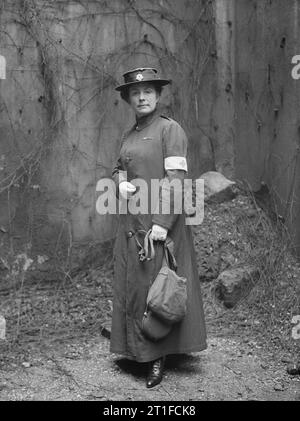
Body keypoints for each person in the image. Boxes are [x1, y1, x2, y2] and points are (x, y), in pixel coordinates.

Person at [110, 67, 207, 388]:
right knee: (136, 288)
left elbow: (176, 181)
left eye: (148, 92)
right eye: (136, 93)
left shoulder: (170, 130)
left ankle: (156, 357)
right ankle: (134, 350)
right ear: (128, 98)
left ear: (157, 95)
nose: (142, 97)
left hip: (158, 227)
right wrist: (119, 181)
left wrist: (162, 224)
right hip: (132, 226)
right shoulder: (128, 135)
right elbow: (118, 167)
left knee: (157, 290)